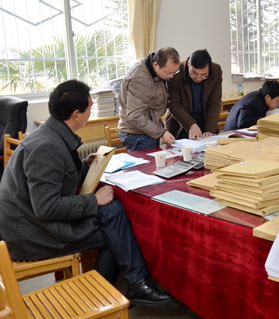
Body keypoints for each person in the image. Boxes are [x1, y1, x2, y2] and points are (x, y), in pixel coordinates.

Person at [0, 80, 169, 304]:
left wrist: (83, 166)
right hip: (30, 234)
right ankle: (103, 296)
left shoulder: (51, 134)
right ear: (77, 114)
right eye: (89, 107)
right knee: (114, 232)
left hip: (30, 220)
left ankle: (121, 287)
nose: (91, 112)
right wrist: (94, 200)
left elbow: (58, 177)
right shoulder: (46, 147)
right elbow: (46, 208)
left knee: (113, 213)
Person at [119, 47, 180, 151]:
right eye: (168, 72)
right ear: (156, 65)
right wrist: (161, 133)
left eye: (175, 72)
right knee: (151, 162)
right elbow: (135, 115)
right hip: (137, 134)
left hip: (148, 131)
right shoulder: (140, 78)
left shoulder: (157, 72)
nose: (171, 76)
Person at [166, 49, 223, 139]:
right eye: (194, 73)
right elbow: (173, 104)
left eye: (204, 75)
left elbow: (214, 102)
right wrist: (191, 125)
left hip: (205, 118)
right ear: (188, 64)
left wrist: (210, 129)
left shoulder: (216, 70)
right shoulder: (176, 72)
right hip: (181, 121)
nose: (198, 78)